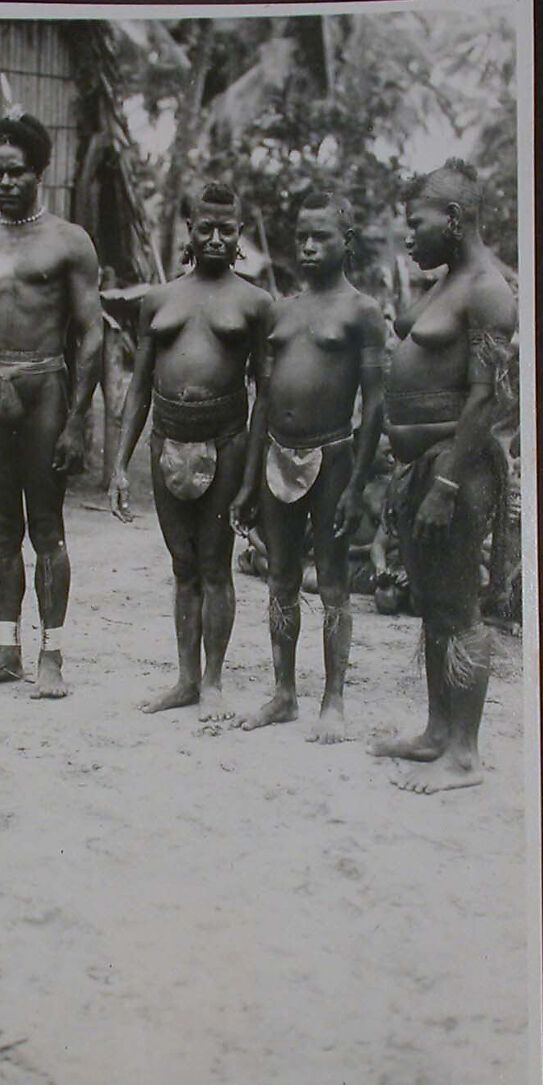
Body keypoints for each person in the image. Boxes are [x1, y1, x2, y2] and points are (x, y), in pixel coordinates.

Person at [0, 110, 103, 698]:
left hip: (44, 389)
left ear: (39, 172)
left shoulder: (69, 242)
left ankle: (51, 654)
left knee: (48, 529)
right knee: (0, 529)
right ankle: (7, 650)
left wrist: (79, 420)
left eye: (16, 173)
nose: (5, 183)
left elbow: (92, 334)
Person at [370, 159, 516, 792]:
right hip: (417, 467)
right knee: (431, 606)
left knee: (459, 609)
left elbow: (487, 402)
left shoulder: (487, 288)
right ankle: (436, 733)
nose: (409, 235)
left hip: (454, 469)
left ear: (453, 220)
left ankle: (464, 753)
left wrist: (448, 484)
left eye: (417, 222)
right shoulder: (445, 281)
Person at [109, 183, 272, 720]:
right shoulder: (158, 300)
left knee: (216, 566)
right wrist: (118, 463)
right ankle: (183, 679)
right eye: (207, 228)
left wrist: (251, 476)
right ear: (190, 231)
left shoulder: (255, 303)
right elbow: (137, 389)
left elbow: (265, 395)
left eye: (228, 229)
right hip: (165, 440)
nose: (217, 238)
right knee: (182, 567)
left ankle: (214, 682)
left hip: (226, 441)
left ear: (240, 234)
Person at [230, 190, 386, 743]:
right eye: (302, 236)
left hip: (334, 454)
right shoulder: (280, 310)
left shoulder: (362, 311)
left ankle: (334, 700)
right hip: (276, 451)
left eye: (321, 236)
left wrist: (358, 483)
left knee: (335, 581)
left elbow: (375, 404)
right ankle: (283, 693)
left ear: (345, 243)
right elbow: (263, 402)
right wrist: (249, 480)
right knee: (279, 577)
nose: (309, 246)